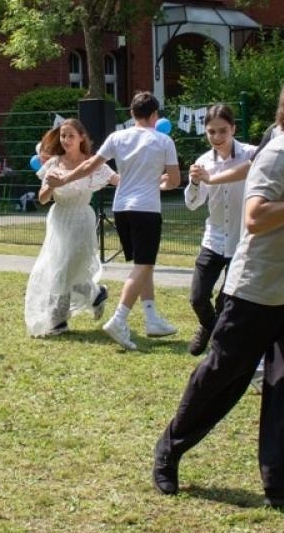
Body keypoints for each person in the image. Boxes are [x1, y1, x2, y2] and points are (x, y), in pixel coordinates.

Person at [152, 70, 284, 509]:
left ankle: (283, 480)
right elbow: (255, 217)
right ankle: (169, 450)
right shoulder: (280, 153)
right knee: (222, 380)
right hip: (255, 291)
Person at [47, 92, 182, 350]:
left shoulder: (117, 137)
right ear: (155, 115)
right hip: (146, 209)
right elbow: (174, 181)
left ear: (132, 114)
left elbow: (89, 167)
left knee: (144, 264)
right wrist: (160, 182)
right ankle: (119, 319)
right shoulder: (163, 140)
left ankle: (152, 317)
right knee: (144, 264)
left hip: (121, 209)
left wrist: (63, 180)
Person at [24, 119, 114, 337]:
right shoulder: (53, 164)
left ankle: (59, 318)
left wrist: (153, 181)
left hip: (82, 218)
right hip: (59, 219)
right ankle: (93, 295)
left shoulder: (93, 163)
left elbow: (119, 180)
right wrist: (51, 185)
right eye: (63, 136)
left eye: (70, 135)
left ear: (81, 137)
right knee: (58, 268)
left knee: (69, 268)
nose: (65, 140)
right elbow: (43, 199)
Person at [182, 104, 255, 356]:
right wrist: (193, 181)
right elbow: (192, 204)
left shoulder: (251, 155)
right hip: (213, 239)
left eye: (222, 131)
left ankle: (218, 344)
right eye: (211, 132)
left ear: (233, 129)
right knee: (197, 297)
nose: (217, 137)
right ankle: (208, 327)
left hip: (242, 240)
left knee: (226, 302)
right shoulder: (203, 162)